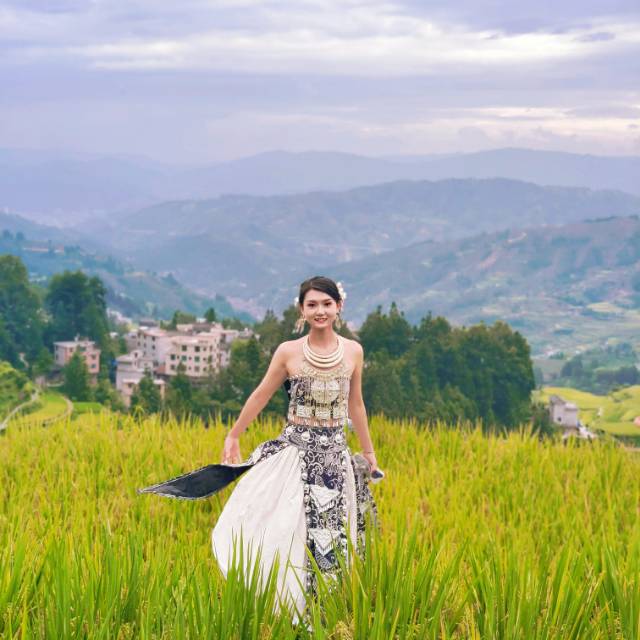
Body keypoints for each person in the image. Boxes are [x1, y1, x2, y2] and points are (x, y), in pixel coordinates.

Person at [137, 275, 381, 624]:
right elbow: (262, 394)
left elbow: (356, 404)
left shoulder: (354, 351)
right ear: (301, 310)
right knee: (286, 531)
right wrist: (234, 434)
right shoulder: (288, 352)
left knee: (331, 535)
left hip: (335, 461)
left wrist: (368, 452)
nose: (320, 311)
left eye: (327, 304)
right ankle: (284, 608)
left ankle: (323, 613)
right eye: (312, 304)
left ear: (338, 306)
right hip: (295, 455)